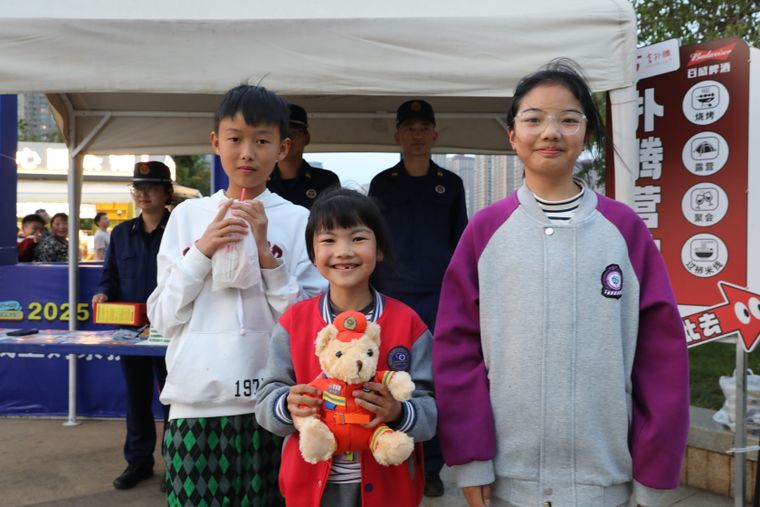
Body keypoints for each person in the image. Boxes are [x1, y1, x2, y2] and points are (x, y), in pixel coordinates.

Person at [433, 59, 689, 507]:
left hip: (604, 480)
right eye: (533, 119)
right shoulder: (485, 231)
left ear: (585, 134)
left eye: (568, 120)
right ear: (512, 135)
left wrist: (654, 475)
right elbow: (457, 350)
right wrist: (470, 459)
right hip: (508, 481)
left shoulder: (624, 230)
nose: (550, 132)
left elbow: (661, 358)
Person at [147, 85, 324, 506]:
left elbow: (310, 325)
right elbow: (163, 318)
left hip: (274, 405)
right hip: (197, 404)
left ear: (282, 148)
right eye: (235, 139)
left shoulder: (298, 220)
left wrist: (266, 257)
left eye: (261, 141)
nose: (247, 153)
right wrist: (202, 251)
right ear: (215, 142)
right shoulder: (188, 216)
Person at [255, 187, 436, 507]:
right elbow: (266, 400)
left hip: (390, 488)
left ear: (380, 249)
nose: (343, 251)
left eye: (358, 238)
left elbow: (431, 412)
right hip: (311, 488)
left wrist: (398, 413)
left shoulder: (408, 324)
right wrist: (288, 405)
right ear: (313, 255)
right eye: (328, 240)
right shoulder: (294, 322)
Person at [368, 98, 467, 497]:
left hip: (438, 299)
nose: (417, 135)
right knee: (390, 379)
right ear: (398, 135)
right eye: (409, 128)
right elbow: (373, 241)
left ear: (435, 134)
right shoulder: (382, 184)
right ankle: (392, 453)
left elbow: (460, 245)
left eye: (424, 128)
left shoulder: (451, 184)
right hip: (392, 297)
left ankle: (432, 465)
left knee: (435, 382)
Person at [91, 161, 174, 490]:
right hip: (131, 332)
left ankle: (176, 466)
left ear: (167, 192)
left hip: (170, 330)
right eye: (137, 187)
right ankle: (138, 463)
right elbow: (110, 274)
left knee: (174, 400)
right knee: (136, 398)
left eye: (151, 187)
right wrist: (103, 292)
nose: (142, 194)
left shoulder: (179, 229)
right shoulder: (121, 232)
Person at [267, 103, 340, 208]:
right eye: (282, 134)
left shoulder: (326, 181)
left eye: (294, 133)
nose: (288, 140)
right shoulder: (259, 180)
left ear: (307, 138)